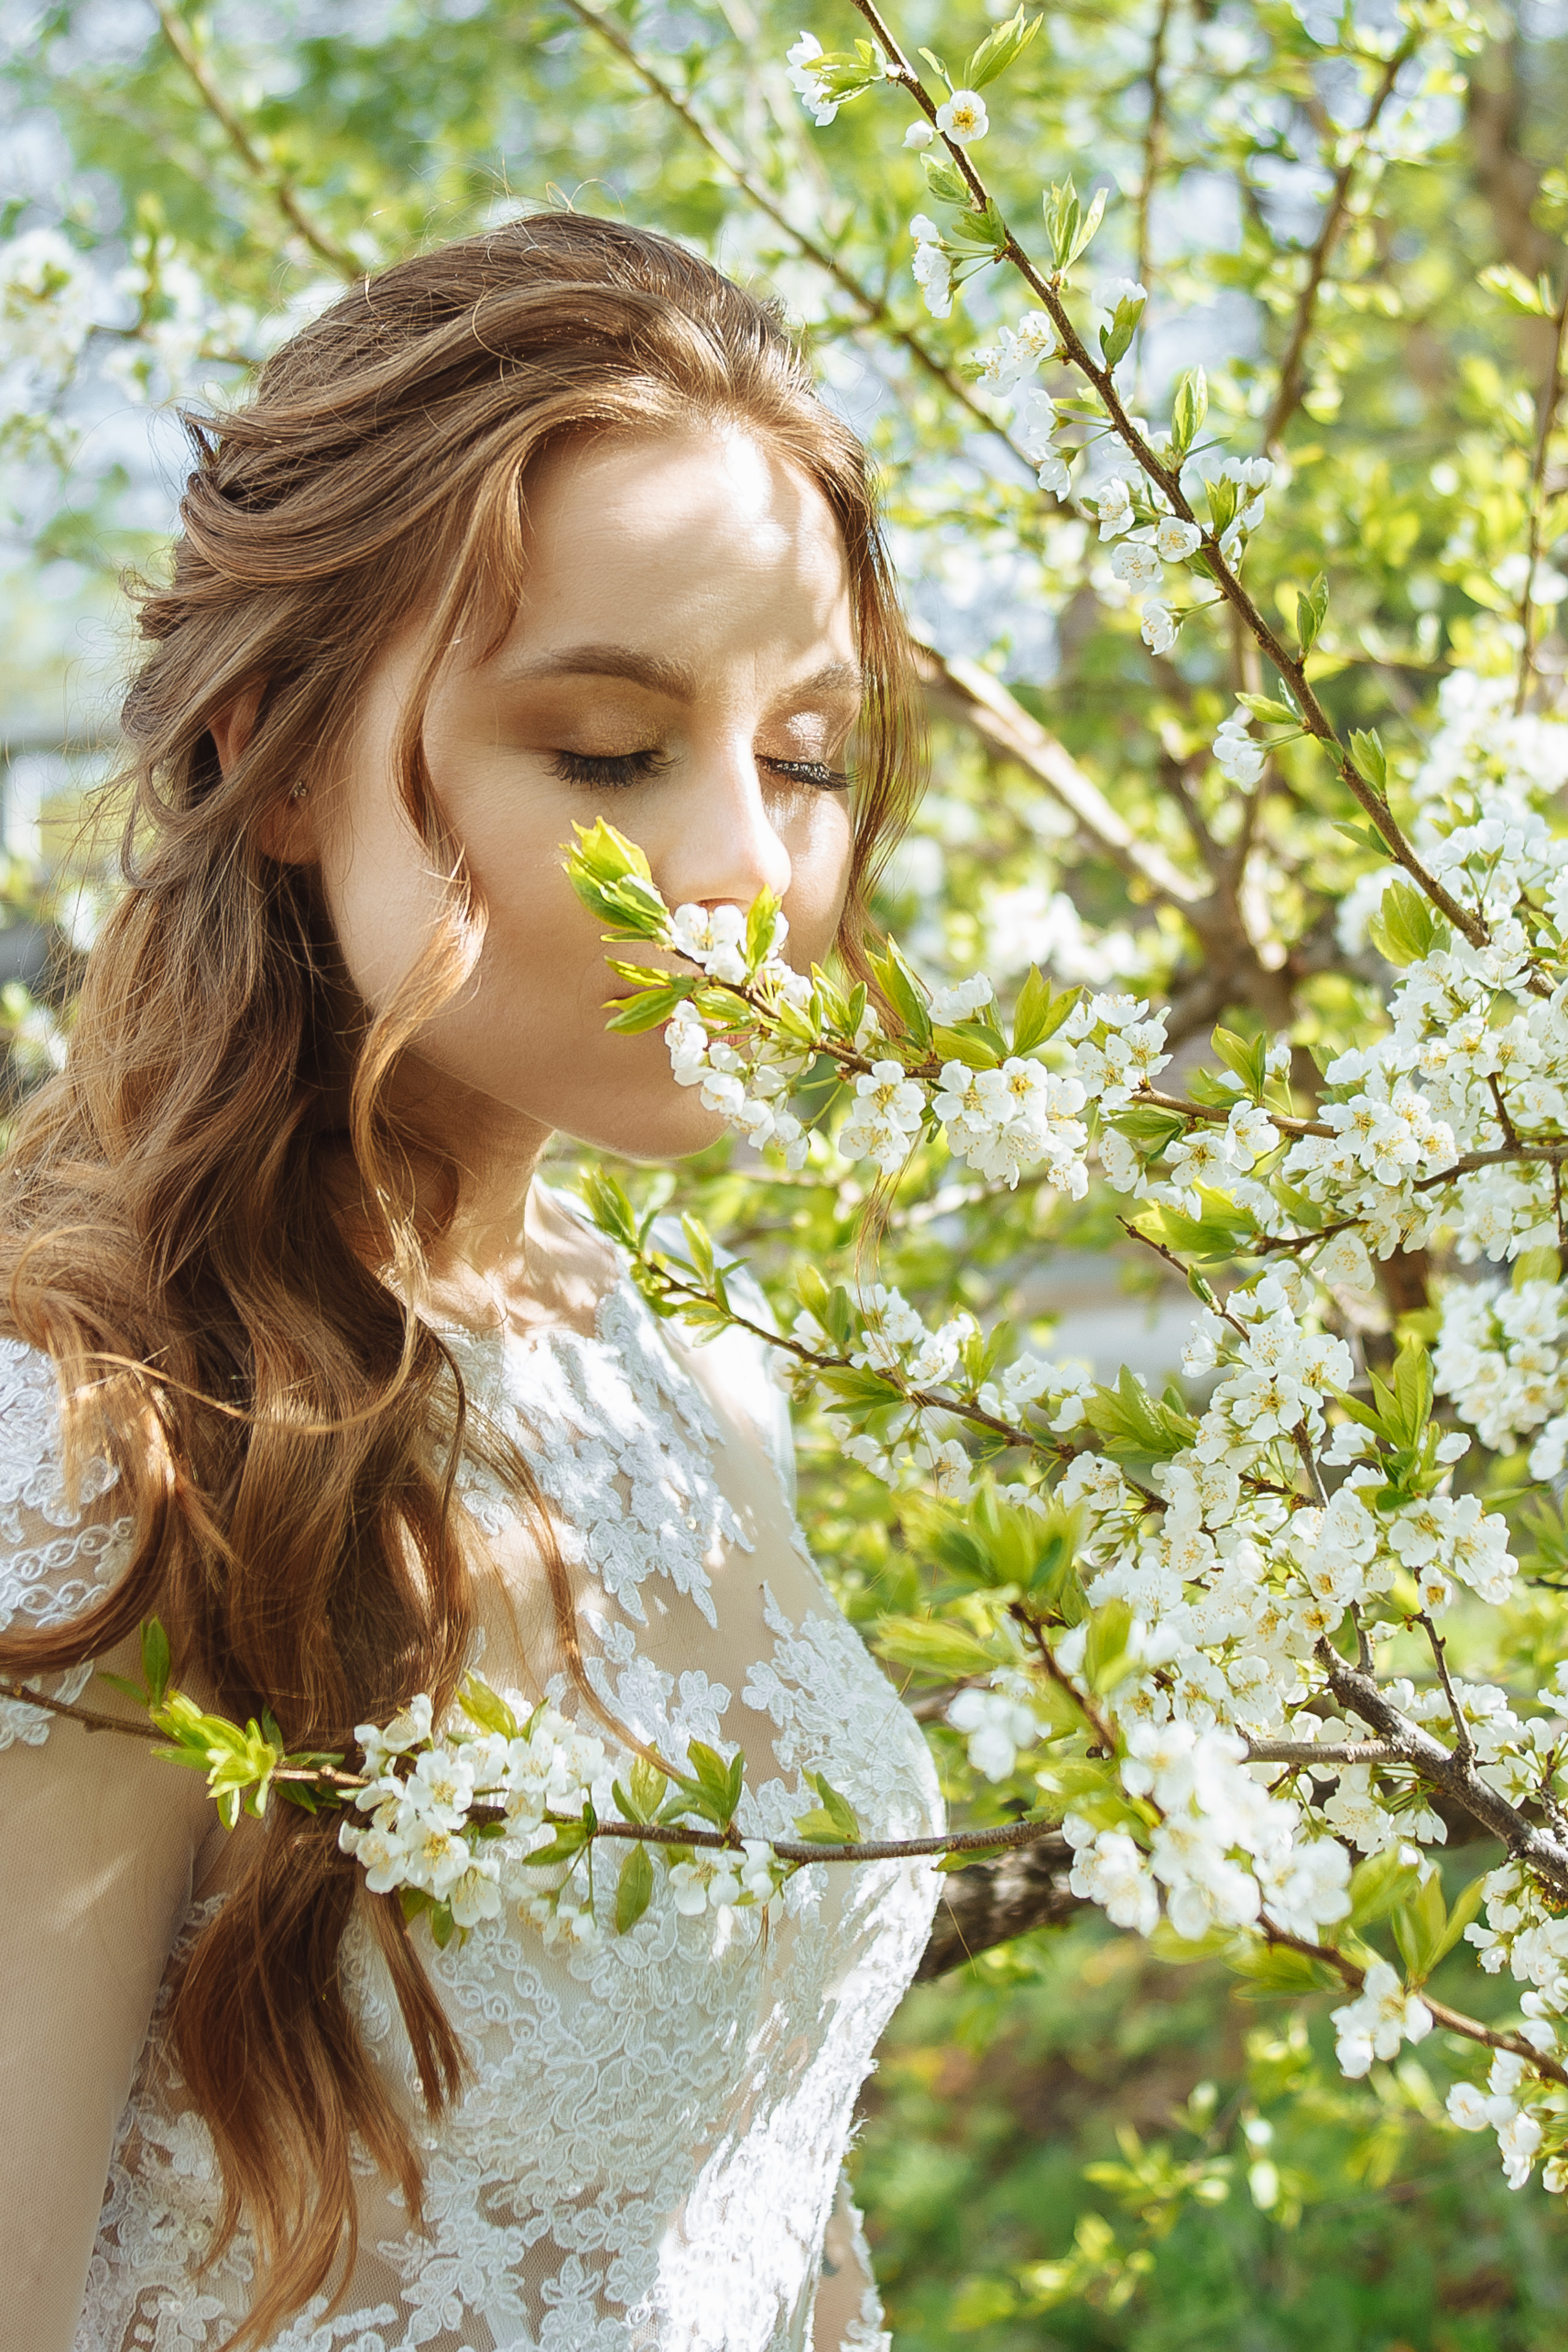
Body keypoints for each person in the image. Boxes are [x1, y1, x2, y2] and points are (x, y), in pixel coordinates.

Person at [0, 213, 940, 2352]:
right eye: (607, 748)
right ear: (278, 759)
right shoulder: (91, 1461)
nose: (745, 866)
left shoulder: (690, 1381)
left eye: (804, 755)